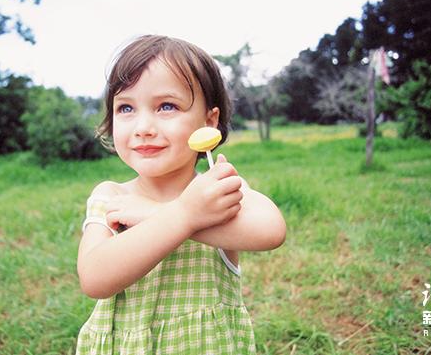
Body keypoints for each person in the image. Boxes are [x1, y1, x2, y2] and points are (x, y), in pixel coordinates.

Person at [76, 34, 286, 354]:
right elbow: (94, 278)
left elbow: (272, 231)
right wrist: (181, 216)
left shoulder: (216, 192)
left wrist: (176, 213)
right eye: (126, 107)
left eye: (166, 106)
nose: (143, 126)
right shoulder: (111, 197)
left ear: (209, 121)